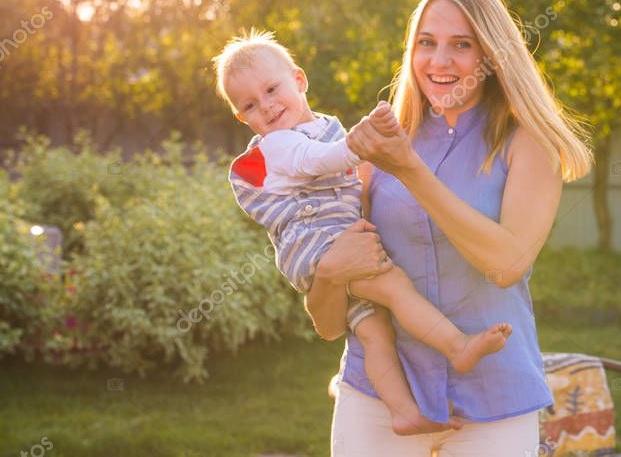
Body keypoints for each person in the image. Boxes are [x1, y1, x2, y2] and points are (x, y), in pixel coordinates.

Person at [306, 0, 592, 456]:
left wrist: (410, 170)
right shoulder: (371, 150)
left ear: (493, 55)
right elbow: (329, 323)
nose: (440, 61)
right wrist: (329, 273)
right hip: (381, 401)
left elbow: (507, 264)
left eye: (462, 44)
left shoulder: (529, 145)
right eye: (426, 42)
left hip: (494, 400)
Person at [212, 30, 513, 436]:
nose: (265, 106)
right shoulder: (280, 145)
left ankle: (404, 412)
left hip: (329, 241)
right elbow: (320, 160)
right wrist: (365, 142)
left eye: (271, 89)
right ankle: (458, 347)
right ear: (241, 117)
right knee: (395, 286)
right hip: (318, 242)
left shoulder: (324, 127)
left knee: (374, 331)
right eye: (250, 104)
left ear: (299, 80)